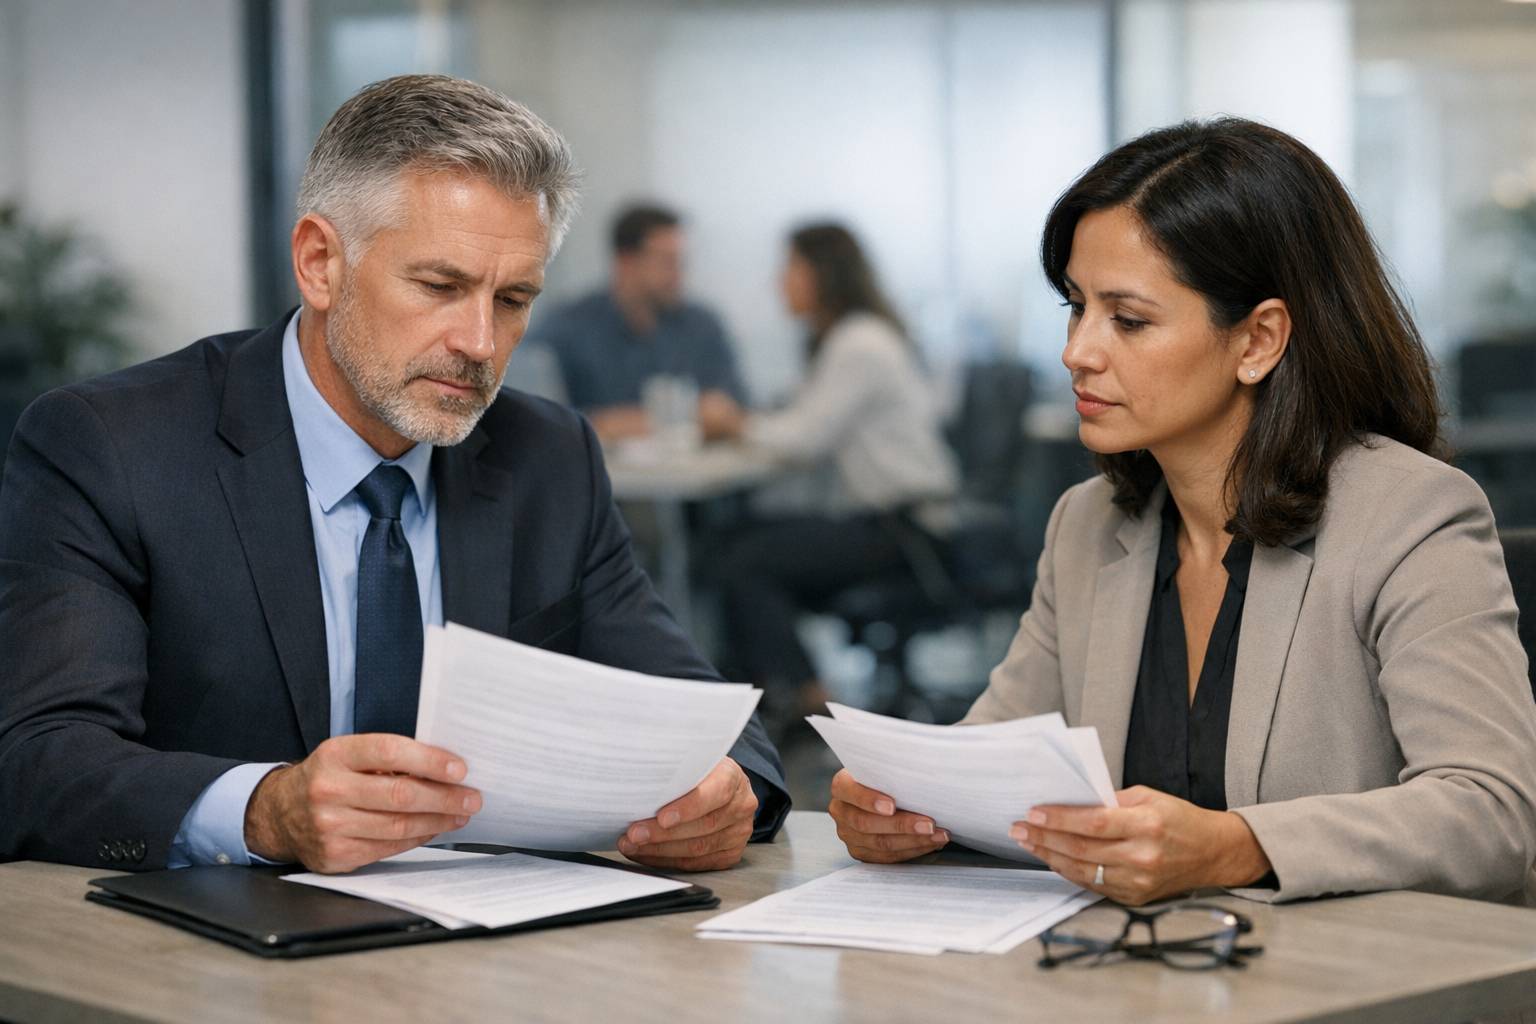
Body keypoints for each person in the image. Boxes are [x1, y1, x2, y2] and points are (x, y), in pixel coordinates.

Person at [0, 74, 788, 875]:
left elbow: (706, 714)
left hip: (495, 948)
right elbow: (37, 760)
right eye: (441, 286)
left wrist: (729, 791)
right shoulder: (113, 447)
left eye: (513, 298)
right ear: (320, 263)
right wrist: (265, 809)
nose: (481, 342)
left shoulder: (548, 457)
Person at [828, 117, 1536, 906]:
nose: (1078, 351)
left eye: (1127, 319)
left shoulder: (1409, 518)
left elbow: (1493, 813)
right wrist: (904, 808)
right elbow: (988, 760)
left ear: (1258, 340)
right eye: (1075, 306)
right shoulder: (1088, 524)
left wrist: (1235, 846)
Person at [705, 223, 959, 725]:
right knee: (736, 541)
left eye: (790, 268)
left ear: (821, 273)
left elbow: (804, 438)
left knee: (742, 561)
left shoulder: (858, 342)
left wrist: (735, 424)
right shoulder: (848, 338)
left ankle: (806, 699)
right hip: (891, 521)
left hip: (905, 531)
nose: (781, 283)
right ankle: (780, 690)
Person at [526, 203, 747, 442]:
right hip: (611, 476)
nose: (678, 274)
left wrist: (621, 423)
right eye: (666, 261)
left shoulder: (702, 325)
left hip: (705, 475)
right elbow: (537, 422)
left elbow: (736, 409)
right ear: (626, 262)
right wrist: (684, 418)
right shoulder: (568, 328)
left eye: (681, 262)